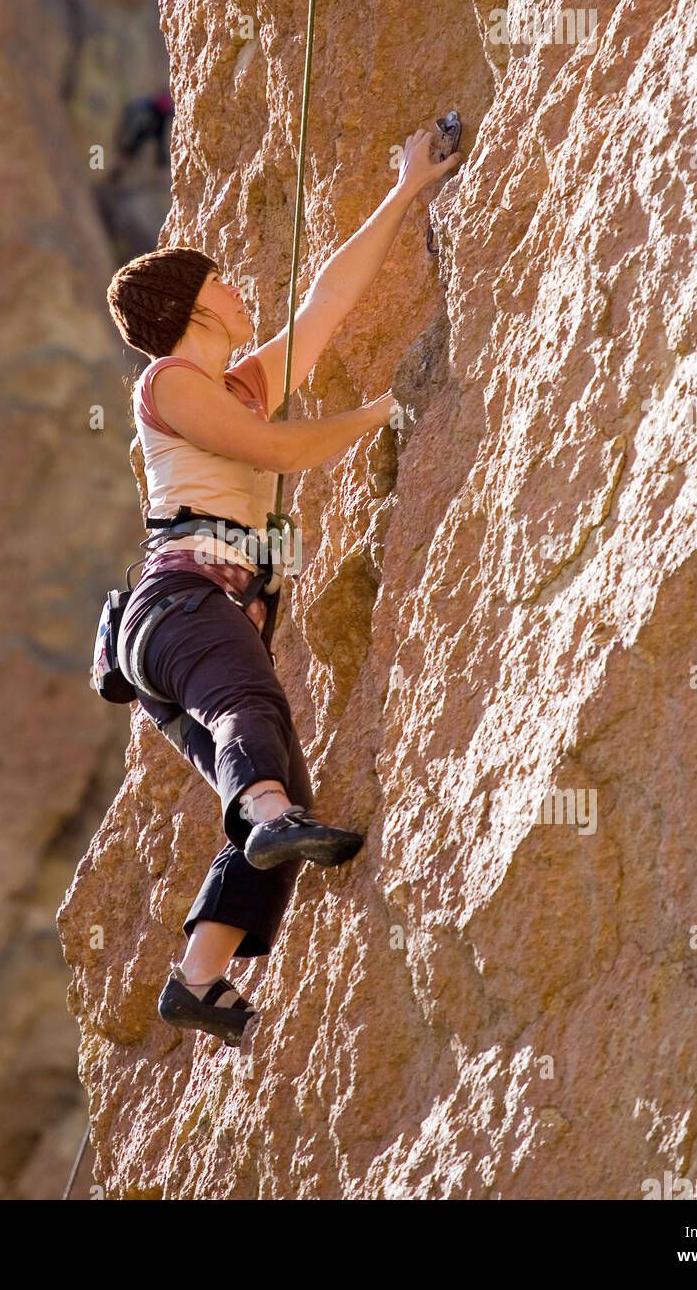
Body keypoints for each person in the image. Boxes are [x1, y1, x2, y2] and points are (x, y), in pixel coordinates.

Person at [104, 126, 462, 1048]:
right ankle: (265, 816)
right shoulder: (170, 381)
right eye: (219, 279)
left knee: (273, 768)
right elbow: (275, 454)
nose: (236, 288)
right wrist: (389, 406)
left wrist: (407, 184)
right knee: (250, 716)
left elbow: (326, 303)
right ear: (190, 301)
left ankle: (198, 979)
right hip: (180, 603)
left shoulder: (239, 383)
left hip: (187, 628)